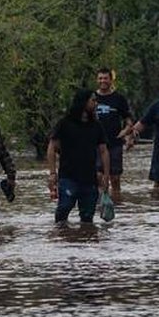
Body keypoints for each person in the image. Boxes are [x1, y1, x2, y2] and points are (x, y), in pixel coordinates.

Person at [47, 89, 110, 223]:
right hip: (68, 177)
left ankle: (85, 240)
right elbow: (52, 147)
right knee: (63, 211)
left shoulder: (96, 126)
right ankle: (61, 238)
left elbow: (104, 151)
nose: (96, 104)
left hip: (89, 179)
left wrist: (106, 176)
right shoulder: (65, 123)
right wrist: (52, 173)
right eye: (93, 100)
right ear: (83, 102)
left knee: (87, 218)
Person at [94, 68, 133, 199]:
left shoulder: (119, 98)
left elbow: (128, 120)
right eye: (100, 78)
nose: (102, 81)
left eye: (105, 78)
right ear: (97, 80)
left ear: (111, 80)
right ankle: (101, 202)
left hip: (115, 142)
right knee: (98, 175)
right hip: (96, 143)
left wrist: (125, 131)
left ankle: (117, 202)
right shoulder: (92, 98)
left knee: (115, 177)